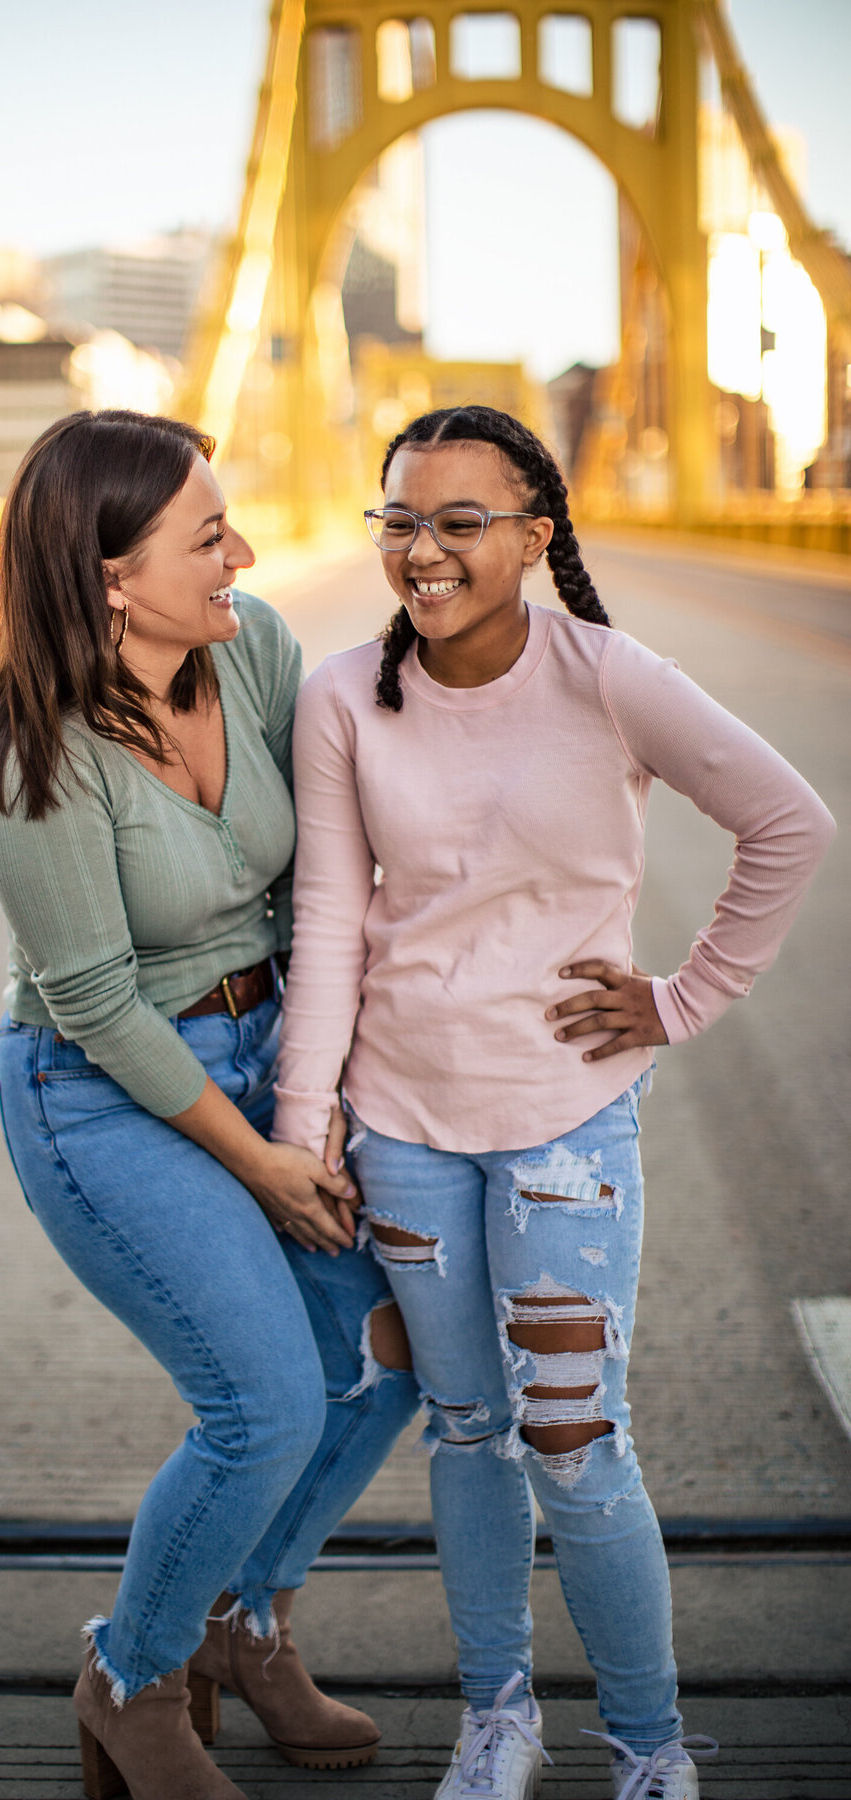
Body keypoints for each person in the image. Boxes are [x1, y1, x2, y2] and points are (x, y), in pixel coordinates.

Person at [272, 404, 835, 1800]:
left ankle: (649, 1746)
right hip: (402, 1126)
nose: (426, 548)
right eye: (401, 517)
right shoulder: (345, 694)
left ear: (535, 534)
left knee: (577, 1448)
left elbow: (789, 821)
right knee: (467, 1434)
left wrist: (682, 997)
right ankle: (497, 1718)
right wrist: (305, 1129)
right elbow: (334, 920)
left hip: (566, 1132)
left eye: (464, 521)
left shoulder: (608, 676)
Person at [0, 410, 419, 1800]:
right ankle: (135, 1679)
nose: (249, 554)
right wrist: (269, 1166)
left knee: (382, 1356)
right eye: (209, 538)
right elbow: (95, 1004)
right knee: (266, 1402)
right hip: (102, 1092)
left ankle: (246, 1620)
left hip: (271, 1046)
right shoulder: (24, 746)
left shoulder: (252, 645)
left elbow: (333, 862)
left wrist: (318, 1089)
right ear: (107, 575)